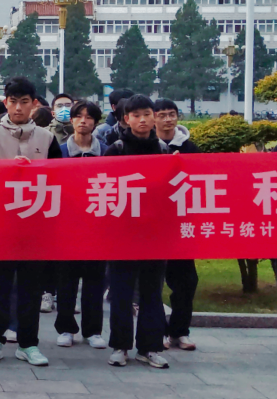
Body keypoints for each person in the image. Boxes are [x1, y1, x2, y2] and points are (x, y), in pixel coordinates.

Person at [0, 77, 62, 368]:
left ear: (34, 104)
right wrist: (8, 171)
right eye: (13, 102)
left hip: (34, 226)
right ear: (6, 103)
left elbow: (61, 178)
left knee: (30, 287)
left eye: (24, 102)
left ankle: (28, 343)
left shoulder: (47, 139)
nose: (18, 108)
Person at [101, 94, 170, 369]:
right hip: (122, 233)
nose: (142, 120)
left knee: (152, 293)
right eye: (136, 115)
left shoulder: (163, 150)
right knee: (121, 292)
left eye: (147, 114)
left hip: (155, 233)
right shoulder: (115, 150)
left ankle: (149, 347)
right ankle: (120, 346)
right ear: (126, 119)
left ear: (154, 117)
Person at [54, 100, 108, 350]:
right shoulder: (59, 151)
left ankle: (93, 330)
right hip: (66, 227)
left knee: (95, 281)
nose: (83, 121)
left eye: (88, 117)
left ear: (95, 122)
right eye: (78, 116)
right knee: (66, 281)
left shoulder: (107, 152)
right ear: (72, 120)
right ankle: (66, 328)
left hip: (97, 227)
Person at [153, 99, 201, 352]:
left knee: (186, 281)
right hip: (153, 225)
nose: (168, 119)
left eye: (172, 114)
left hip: (181, 226)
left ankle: (180, 331)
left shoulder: (190, 147)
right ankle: (157, 330)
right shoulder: (146, 146)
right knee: (153, 283)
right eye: (162, 115)